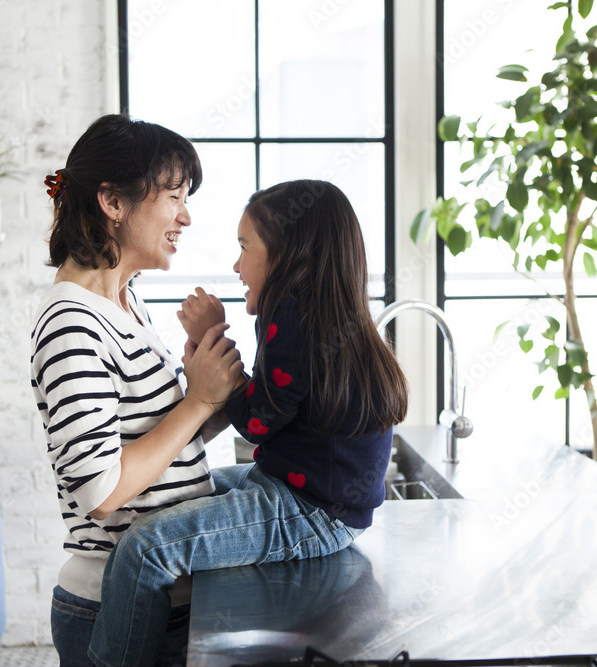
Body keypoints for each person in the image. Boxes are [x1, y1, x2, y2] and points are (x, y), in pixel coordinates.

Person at [88, 179, 409, 666]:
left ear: (286, 253)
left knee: (142, 550)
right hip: (307, 497)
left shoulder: (291, 317)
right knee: (181, 491)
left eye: (244, 248)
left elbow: (258, 421)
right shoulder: (325, 314)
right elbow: (274, 406)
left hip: (309, 511)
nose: (237, 266)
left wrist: (209, 336)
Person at [29, 114, 243, 667]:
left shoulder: (125, 303)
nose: (186, 216)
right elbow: (101, 493)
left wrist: (207, 389)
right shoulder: (71, 321)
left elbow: (159, 445)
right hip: (114, 606)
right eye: (174, 195)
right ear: (113, 202)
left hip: (161, 595)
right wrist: (197, 400)